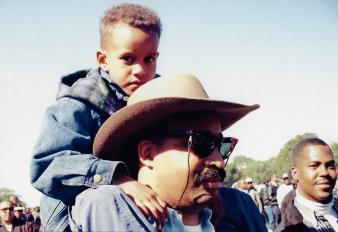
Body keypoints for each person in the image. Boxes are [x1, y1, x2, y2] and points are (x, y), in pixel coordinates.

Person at [68, 74, 267, 231]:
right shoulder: (111, 207)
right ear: (147, 153)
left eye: (222, 146)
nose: (219, 161)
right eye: (202, 143)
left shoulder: (238, 207)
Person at [30, 3, 164, 231]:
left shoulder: (161, 100)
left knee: (233, 200)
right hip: (74, 218)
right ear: (103, 60)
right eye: (128, 59)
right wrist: (118, 178)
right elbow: (46, 165)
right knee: (106, 198)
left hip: (142, 210)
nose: (140, 70)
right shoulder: (77, 105)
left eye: (149, 59)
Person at [276, 138, 338, 231]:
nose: (324, 172)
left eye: (330, 166)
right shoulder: (289, 228)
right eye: (314, 166)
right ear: (295, 173)